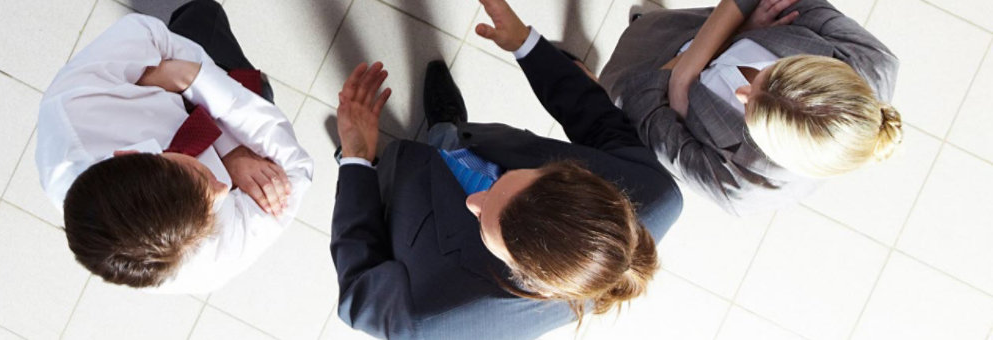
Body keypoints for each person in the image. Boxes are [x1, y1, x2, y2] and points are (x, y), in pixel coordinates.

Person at [328, 0, 683, 338]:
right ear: (567, 172)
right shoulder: (656, 193)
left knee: (376, 178)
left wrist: (357, 157)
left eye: (486, 226)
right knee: (449, 139)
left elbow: (358, 289)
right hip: (477, 144)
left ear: (524, 272)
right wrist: (525, 44)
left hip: (406, 213)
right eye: (509, 179)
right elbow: (600, 123)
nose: (473, 202)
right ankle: (447, 129)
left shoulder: (433, 321)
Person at [36, 0, 312, 294]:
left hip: (196, 75)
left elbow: (148, 34)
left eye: (200, 175)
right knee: (258, 95)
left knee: (203, 15)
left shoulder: (75, 105)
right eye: (210, 209)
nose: (222, 189)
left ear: (129, 154)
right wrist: (180, 78)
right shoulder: (201, 262)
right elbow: (296, 170)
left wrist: (226, 143)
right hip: (214, 99)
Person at [599, 0, 902, 215]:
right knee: (650, 29)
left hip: (638, 72)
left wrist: (728, 36)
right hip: (687, 30)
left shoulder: (743, 187)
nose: (742, 91)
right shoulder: (872, 59)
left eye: (751, 110)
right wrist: (682, 80)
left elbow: (637, 101)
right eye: (769, 72)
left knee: (597, 93)